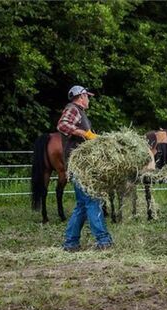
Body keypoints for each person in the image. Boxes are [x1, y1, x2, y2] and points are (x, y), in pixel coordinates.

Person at [57, 85, 113, 251]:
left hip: (81, 165)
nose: (88, 99)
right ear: (81, 96)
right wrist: (83, 133)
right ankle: (103, 241)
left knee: (82, 205)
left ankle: (71, 242)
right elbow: (62, 125)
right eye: (87, 96)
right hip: (79, 166)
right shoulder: (73, 109)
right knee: (92, 200)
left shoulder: (80, 113)